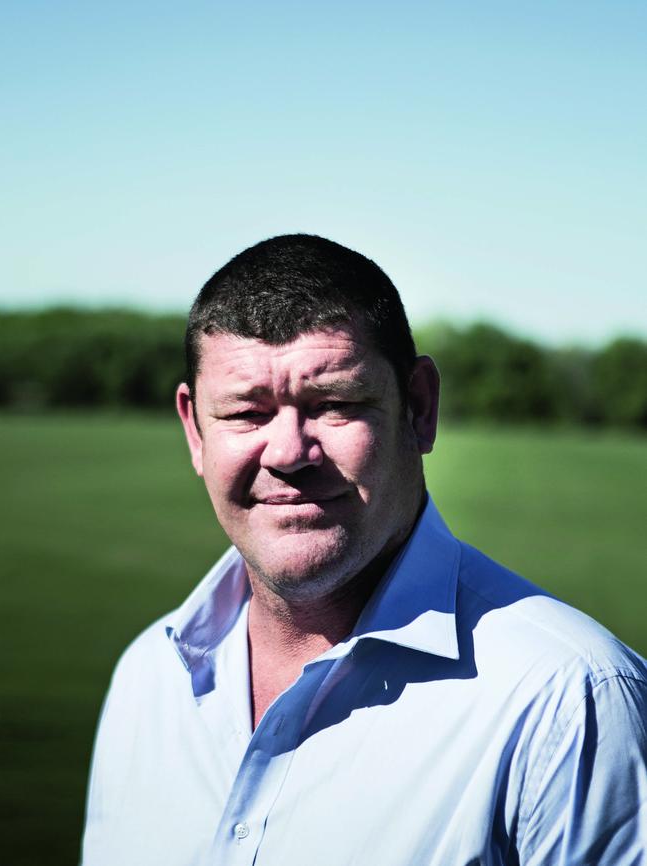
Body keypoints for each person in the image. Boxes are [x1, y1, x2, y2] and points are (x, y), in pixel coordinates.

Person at [81, 234, 647, 866]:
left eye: (334, 405)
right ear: (194, 430)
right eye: (246, 413)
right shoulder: (148, 677)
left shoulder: (570, 700)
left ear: (420, 409)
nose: (288, 453)